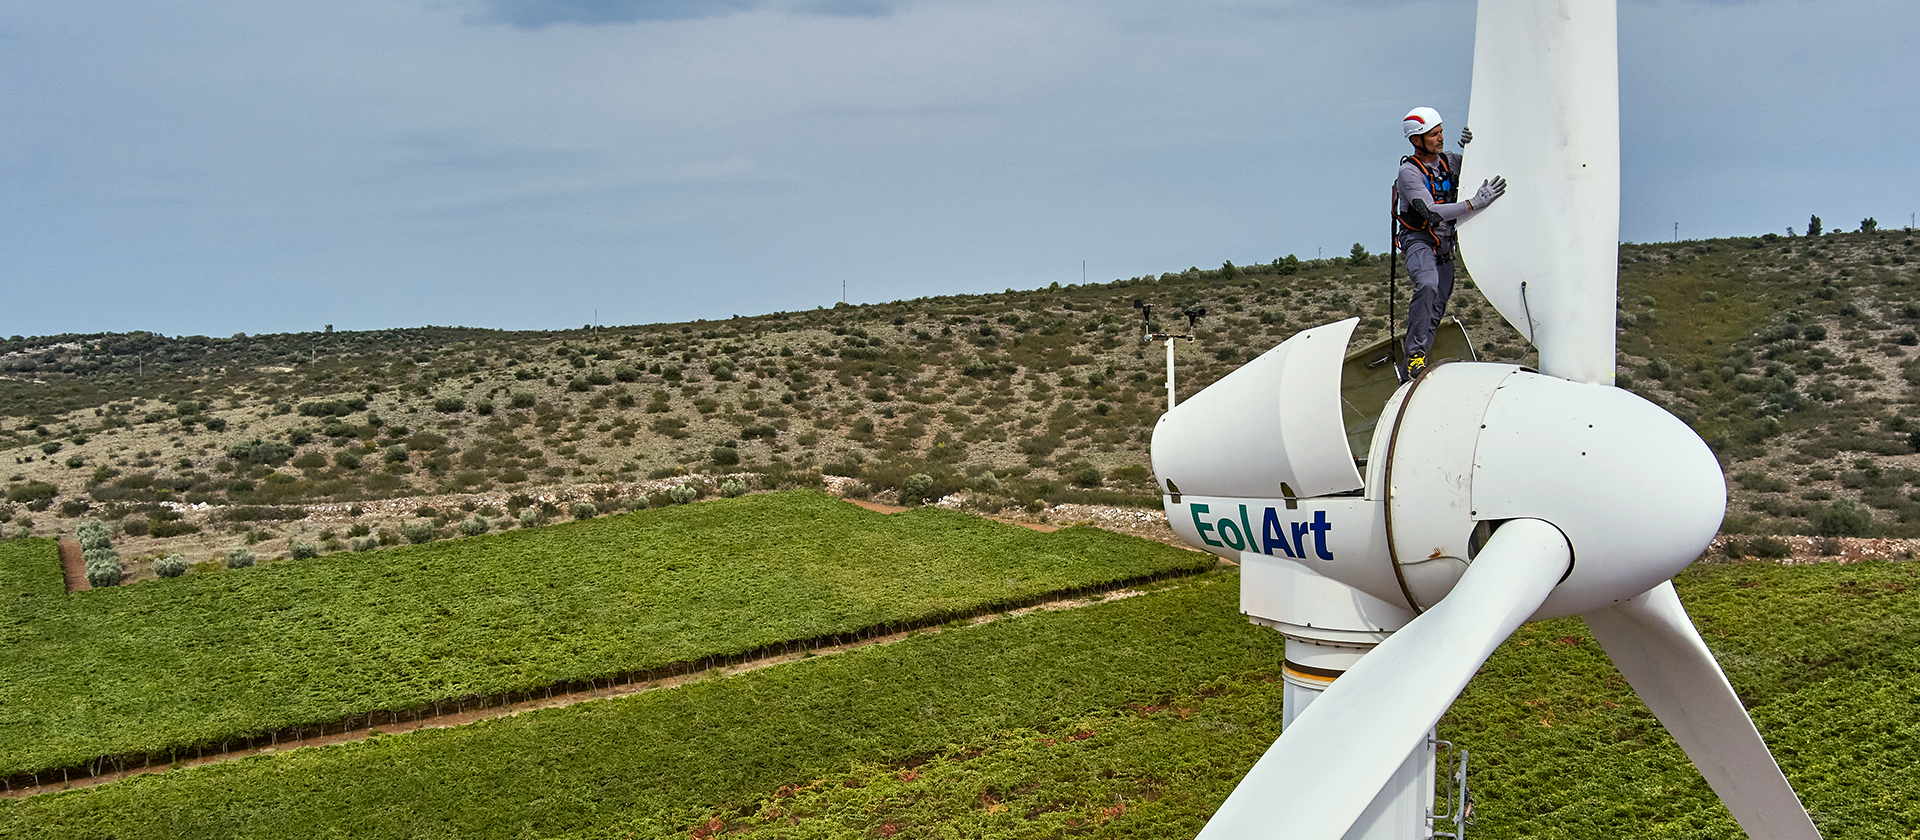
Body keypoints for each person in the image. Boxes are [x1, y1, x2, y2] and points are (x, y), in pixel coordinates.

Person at [1394, 107, 1506, 378]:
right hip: (1419, 240)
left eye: (1441, 132)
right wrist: (1474, 203)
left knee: (1437, 305)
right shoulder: (1409, 173)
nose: (1440, 138)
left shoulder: (1451, 161)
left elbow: (1478, 165)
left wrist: (1475, 144)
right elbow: (1431, 211)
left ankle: (1420, 362)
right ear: (1416, 141)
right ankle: (1415, 357)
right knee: (1428, 283)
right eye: (1433, 135)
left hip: (1444, 244)